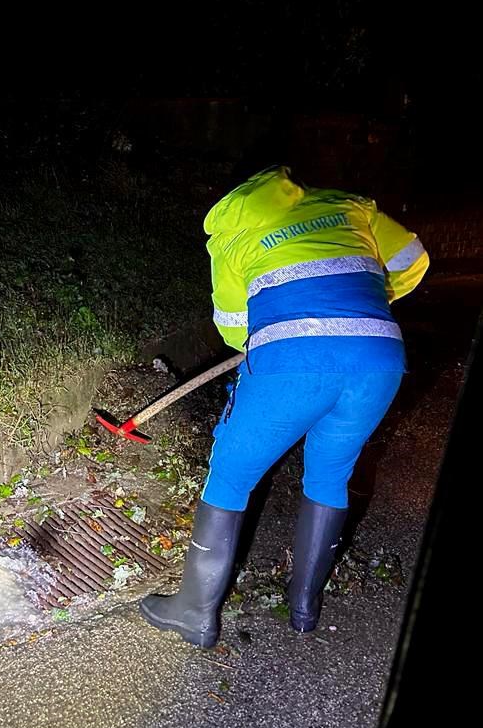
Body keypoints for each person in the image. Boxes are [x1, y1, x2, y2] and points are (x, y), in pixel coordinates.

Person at [139, 165, 429, 647]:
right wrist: (368, 300)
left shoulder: (231, 235)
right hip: (378, 357)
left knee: (231, 474)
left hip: (291, 361)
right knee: (331, 475)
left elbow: (234, 328)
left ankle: (193, 613)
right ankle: (303, 609)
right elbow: (413, 259)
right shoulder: (349, 205)